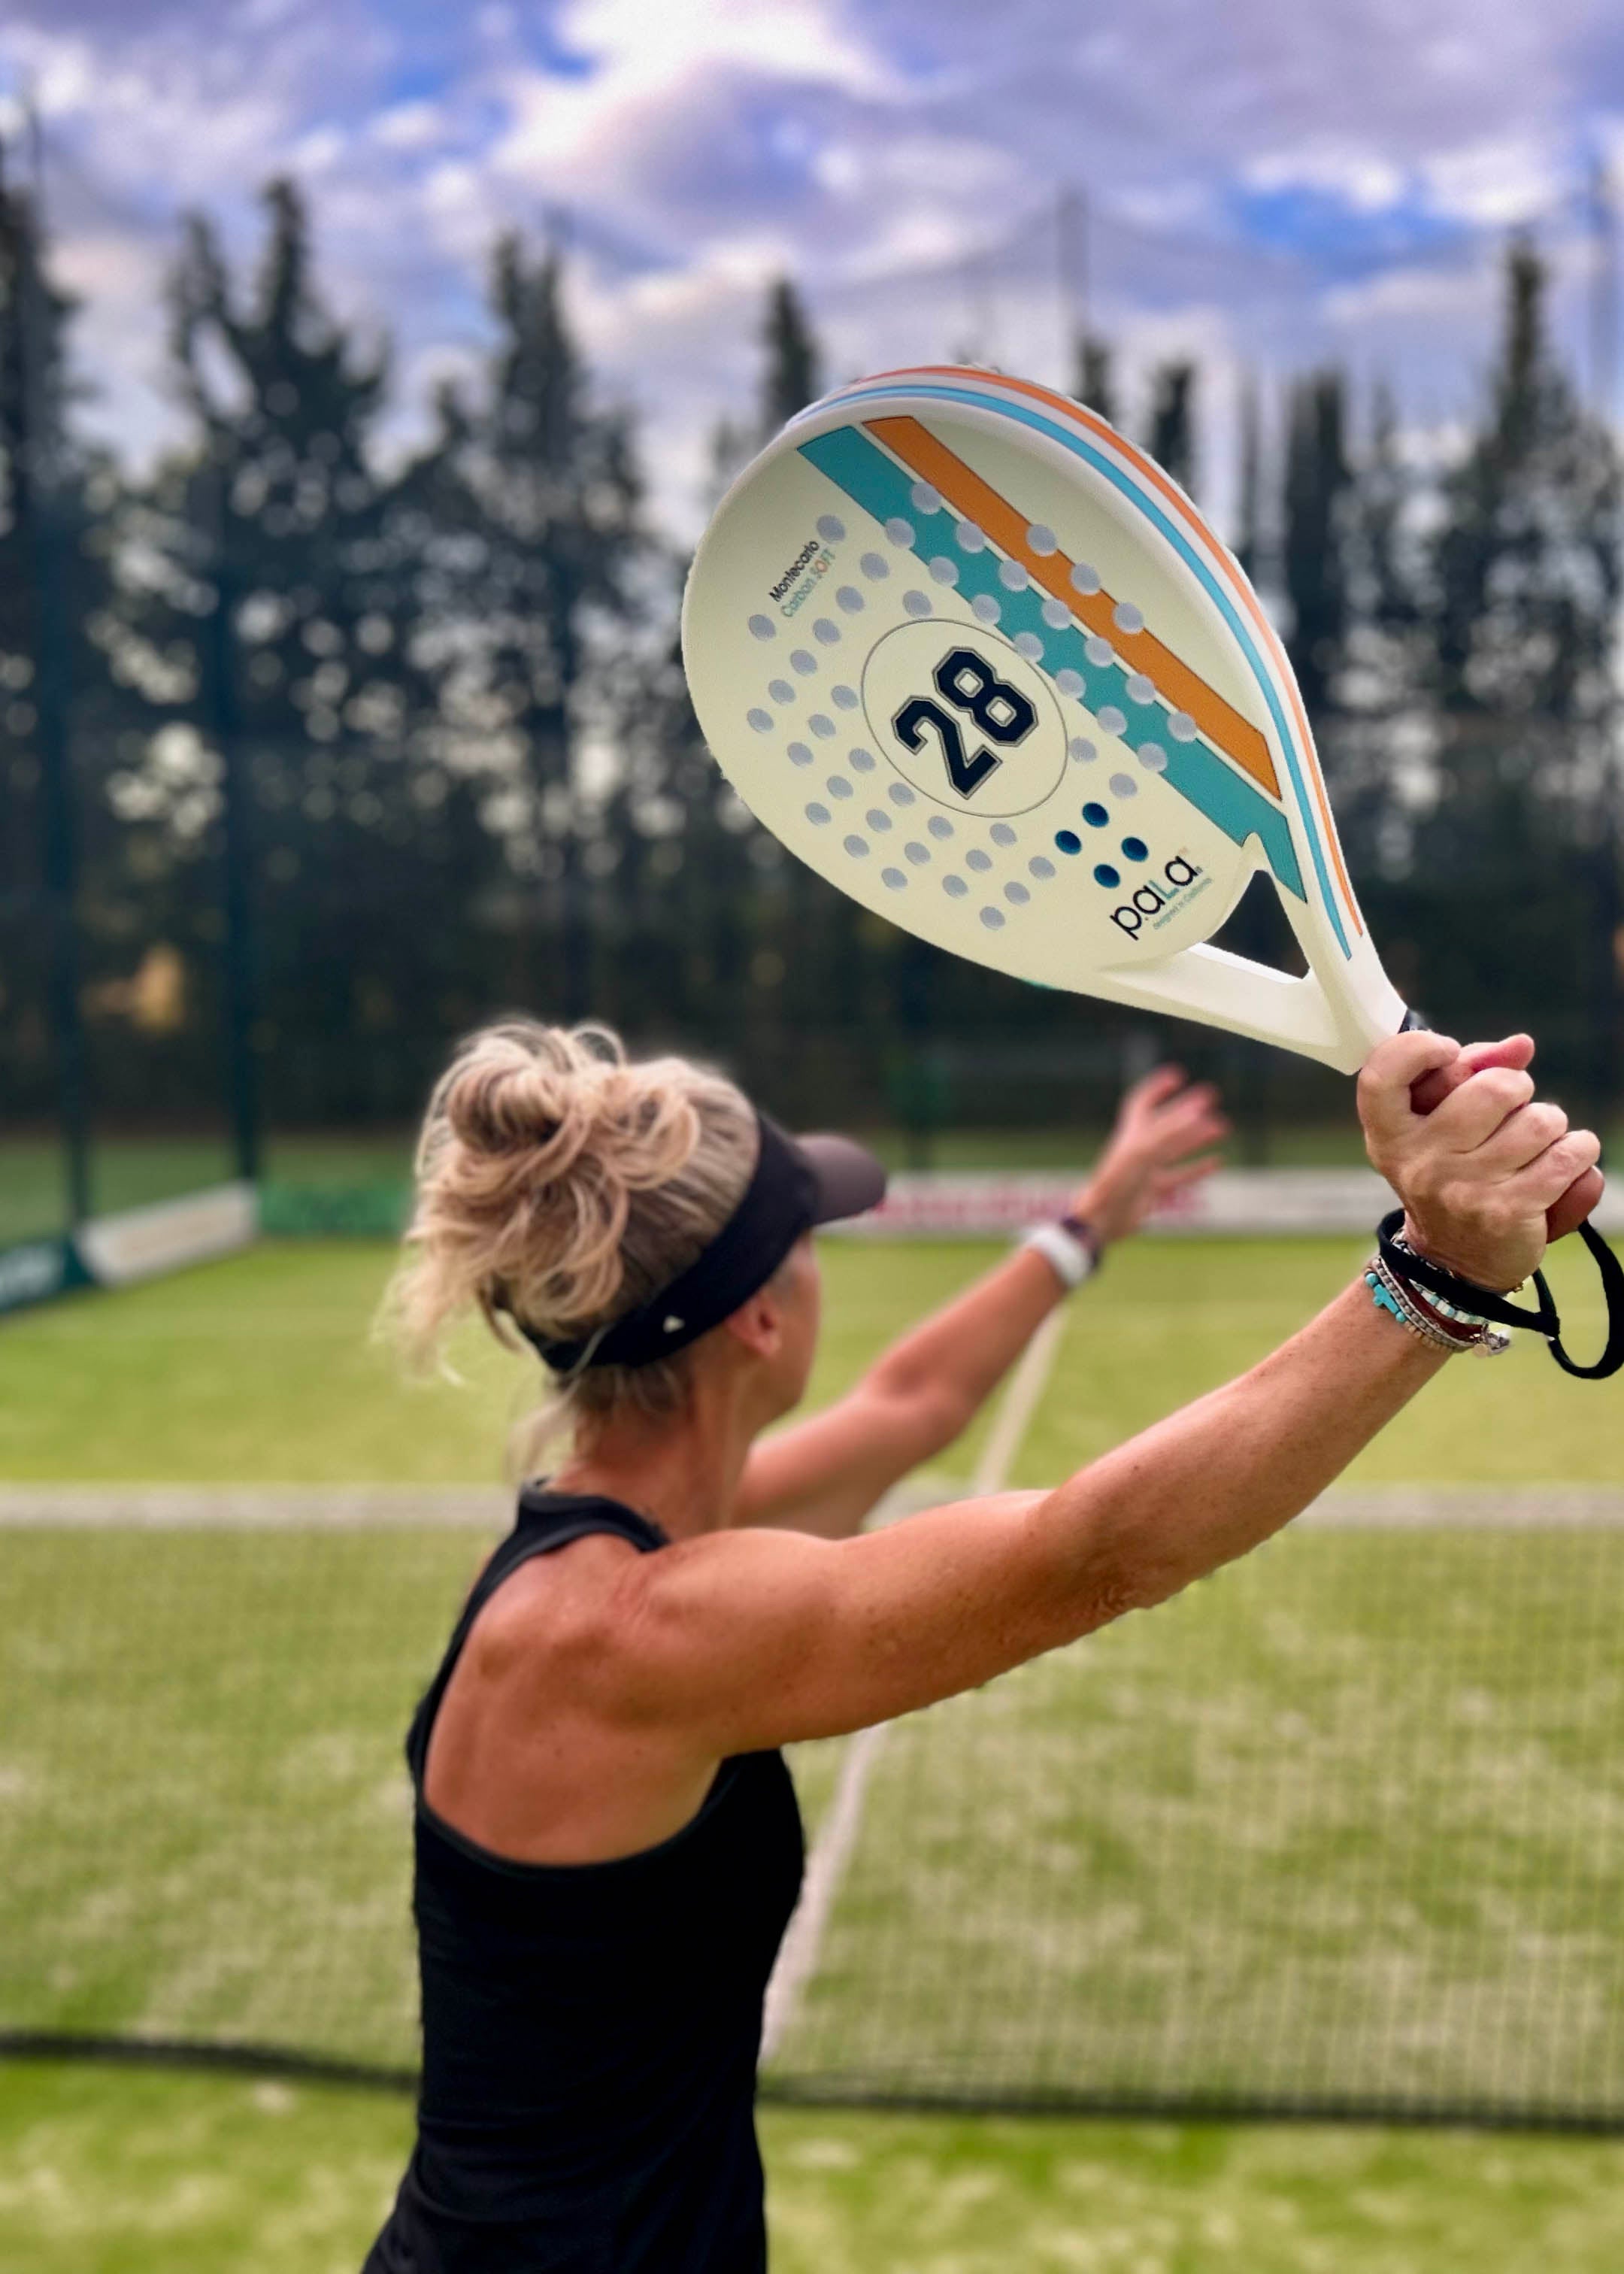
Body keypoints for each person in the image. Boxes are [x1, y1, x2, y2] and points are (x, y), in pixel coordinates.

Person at [362, 1018, 1598, 2274]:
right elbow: (1097, 1556)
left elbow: (914, 1403)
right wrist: (1433, 1275)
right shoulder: (631, 1639)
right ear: (761, 1322)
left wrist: (1089, 1224)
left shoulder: (600, 1567)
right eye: (805, 1238)